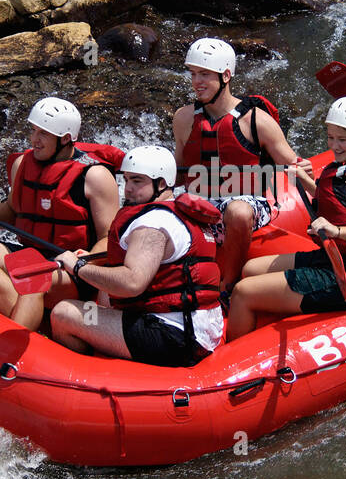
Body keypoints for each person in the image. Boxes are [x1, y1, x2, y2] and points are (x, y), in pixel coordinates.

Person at [228, 98, 346, 340]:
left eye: (342, 139)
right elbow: (341, 203)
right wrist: (306, 182)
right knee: (250, 269)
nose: (334, 146)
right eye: (331, 137)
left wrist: (337, 231)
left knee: (242, 292)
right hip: (334, 260)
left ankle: (234, 356)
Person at [51, 146, 224, 366]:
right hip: (199, 328)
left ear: (161, 183)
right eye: (126, 180)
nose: (128, 190)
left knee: (64, 313)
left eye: (137, 181)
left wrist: (77, 267)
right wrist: (94, 258)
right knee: (102, 296)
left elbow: (132, 282)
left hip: (172, 335)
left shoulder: (152, 224)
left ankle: (86, 377)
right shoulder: (176, 212)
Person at [0, 98, 119, 329]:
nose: (34, 140)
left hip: (72, 269)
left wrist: (81, 263)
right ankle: (35, 321)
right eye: (33, 131)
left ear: (64, 139)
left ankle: (16, 335)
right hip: (33, 256)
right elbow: (12, 212)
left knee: (34, 278)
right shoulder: (22, 164)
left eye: (43, 134)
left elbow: (110, 239)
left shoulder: (96, 177)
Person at [172, 37, 310, 290]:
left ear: (225, 76)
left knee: (238, 210)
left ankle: (229, 284)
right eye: (192, 74)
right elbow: (178, 177)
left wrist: (303, 171)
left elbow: (294, 164)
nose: (196, 82)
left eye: (204, 74)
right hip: (198, 201)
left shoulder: (255, 119)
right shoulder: (183, 118)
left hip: (246, 201)